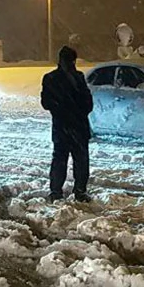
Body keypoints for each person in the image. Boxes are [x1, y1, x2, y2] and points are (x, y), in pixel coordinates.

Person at [40, 45, 94, 201]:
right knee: (69, 159)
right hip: (70, 126)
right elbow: (47, 103)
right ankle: (64, 191)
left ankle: (72, 191)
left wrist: (66, 110)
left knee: (72, 160)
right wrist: (72, 110)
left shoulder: (75, 77)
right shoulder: (56, 78)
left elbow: (87, 101)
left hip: (69, 126)